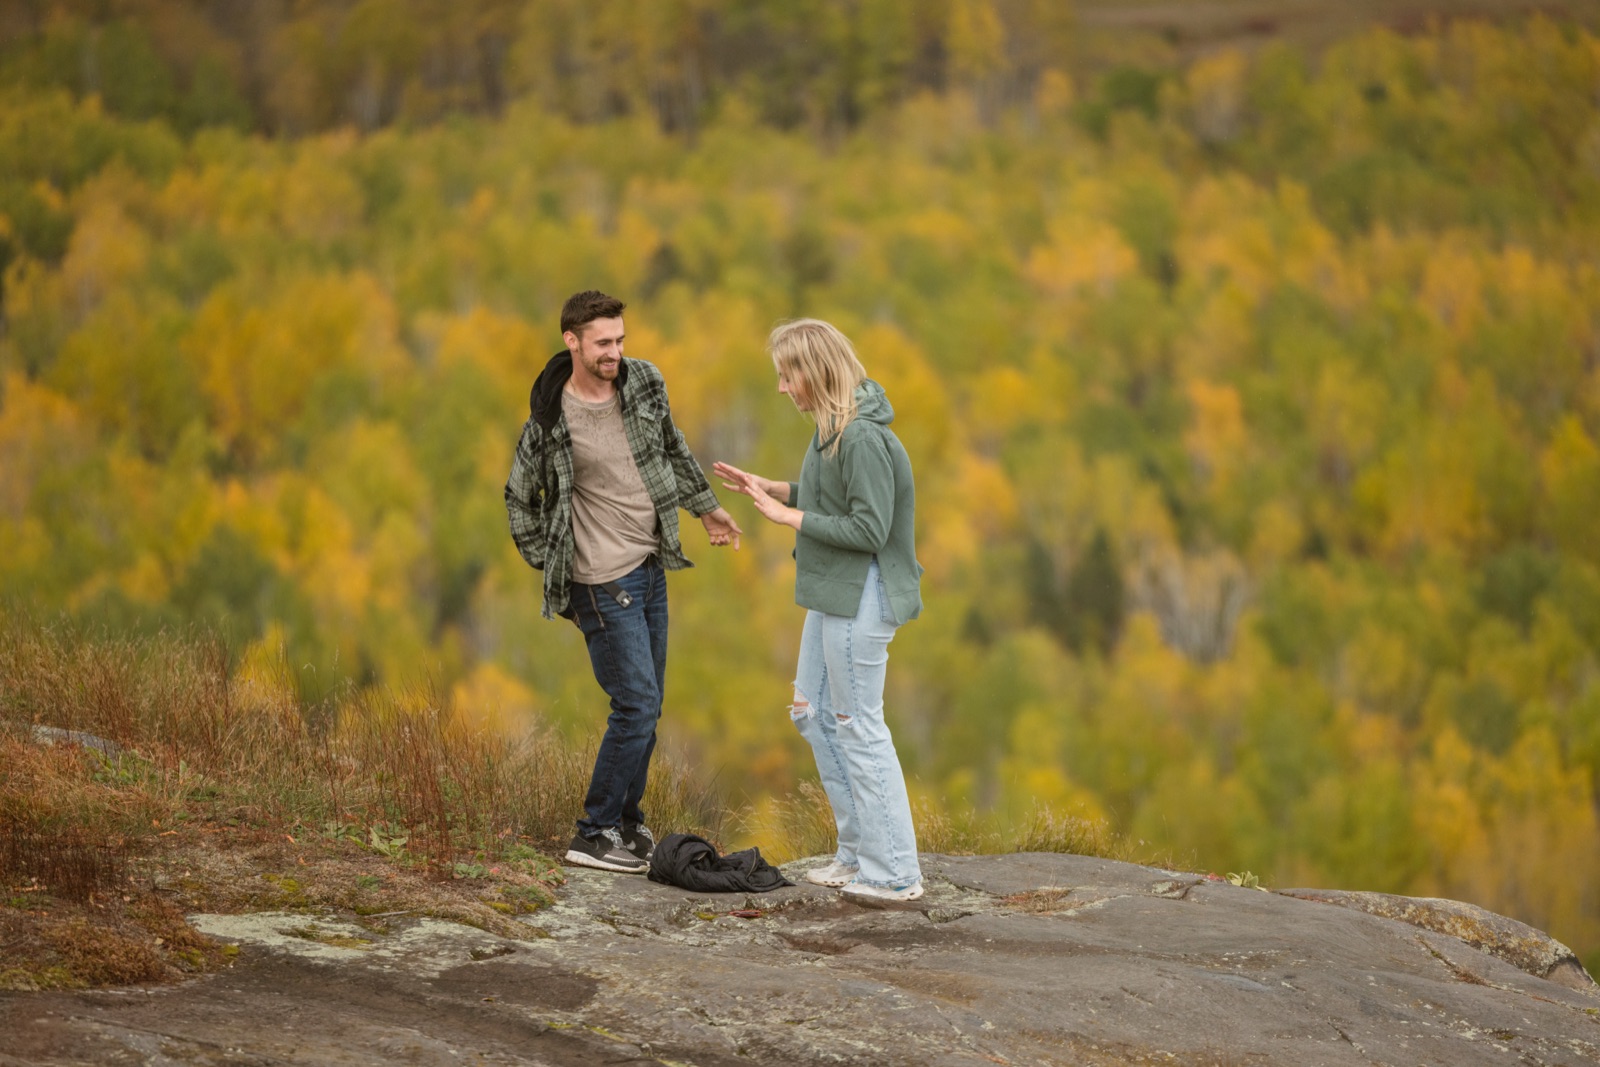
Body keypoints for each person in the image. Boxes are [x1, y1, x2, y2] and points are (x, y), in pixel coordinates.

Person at [505, 290, 743, 874]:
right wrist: (557, 561)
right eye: (603, 342)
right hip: (599, 577)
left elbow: (672, 448)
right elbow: (518, 498)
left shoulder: (643, 384)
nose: (615, 352)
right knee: (634, 704)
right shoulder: (549, 419)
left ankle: (629, 824)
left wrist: (706, 507)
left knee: (650, 705)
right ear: (573, 341)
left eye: (620, 340)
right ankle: (592, 832)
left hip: (650, 563)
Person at [713, 318, 925, 902]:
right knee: (813, 711)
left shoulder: (860, 435)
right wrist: (778, 490)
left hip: (864, 591)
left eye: (788, 375)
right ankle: (858, 853)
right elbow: (834, 497)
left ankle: (896, 873)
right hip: (834, 590)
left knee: (859, 723)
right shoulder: (830, 431)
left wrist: (787, 519)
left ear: (817, 371)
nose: (782, 388)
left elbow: (869, 526)